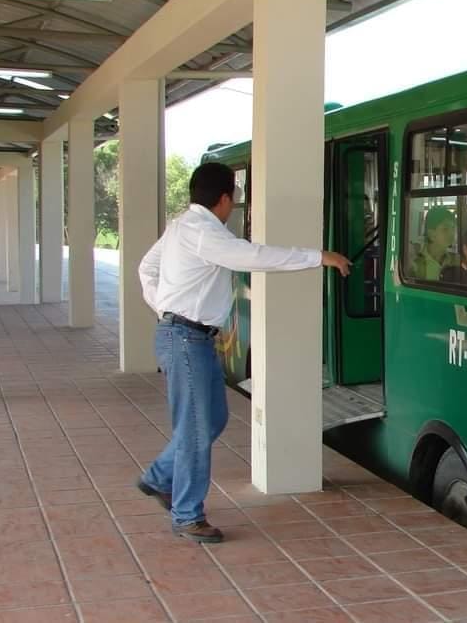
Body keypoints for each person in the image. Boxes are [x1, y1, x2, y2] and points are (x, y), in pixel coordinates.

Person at [137, 162, 351, 543]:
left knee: (213, 419)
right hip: (185, 339)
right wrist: (318, 256)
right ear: (225, 198)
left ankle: (158, 477)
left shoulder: (181, 227)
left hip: (190, 337)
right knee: (196, 428)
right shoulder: (204, 233)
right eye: (234, 198)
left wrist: (165, 308)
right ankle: (187, 515)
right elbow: (257, 256)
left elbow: (146, 269)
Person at [411, 206, 459, 280]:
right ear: (431, 234)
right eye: (445, 229)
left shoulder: (456, 260)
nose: (451, 233)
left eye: (453, 228)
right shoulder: (415, 263)